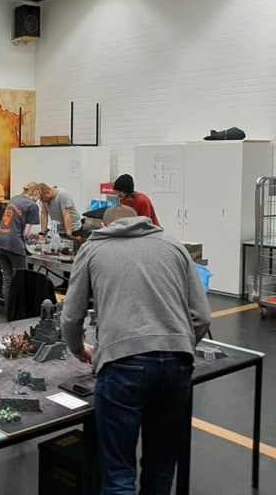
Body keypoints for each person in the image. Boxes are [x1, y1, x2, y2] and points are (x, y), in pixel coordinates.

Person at [60, 205, 211, 494]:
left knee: (118, 473)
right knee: (161, 465)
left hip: (122, 364)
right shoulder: (174, 246)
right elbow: (202, 316)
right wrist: (178, 345)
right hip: (177, 363)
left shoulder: (92, 249)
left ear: (104, 227)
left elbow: (71, 316)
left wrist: (79, 349)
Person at [0, 182, 40, 305]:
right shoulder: (32, 206)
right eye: (38, 197)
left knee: (7, 279)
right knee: (22, 278)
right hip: (14, 245)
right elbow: (25, 233)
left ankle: (9, 309)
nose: (38, 200)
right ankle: (21, 309)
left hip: (0, 242)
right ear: (35, 192)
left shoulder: (14, 199)